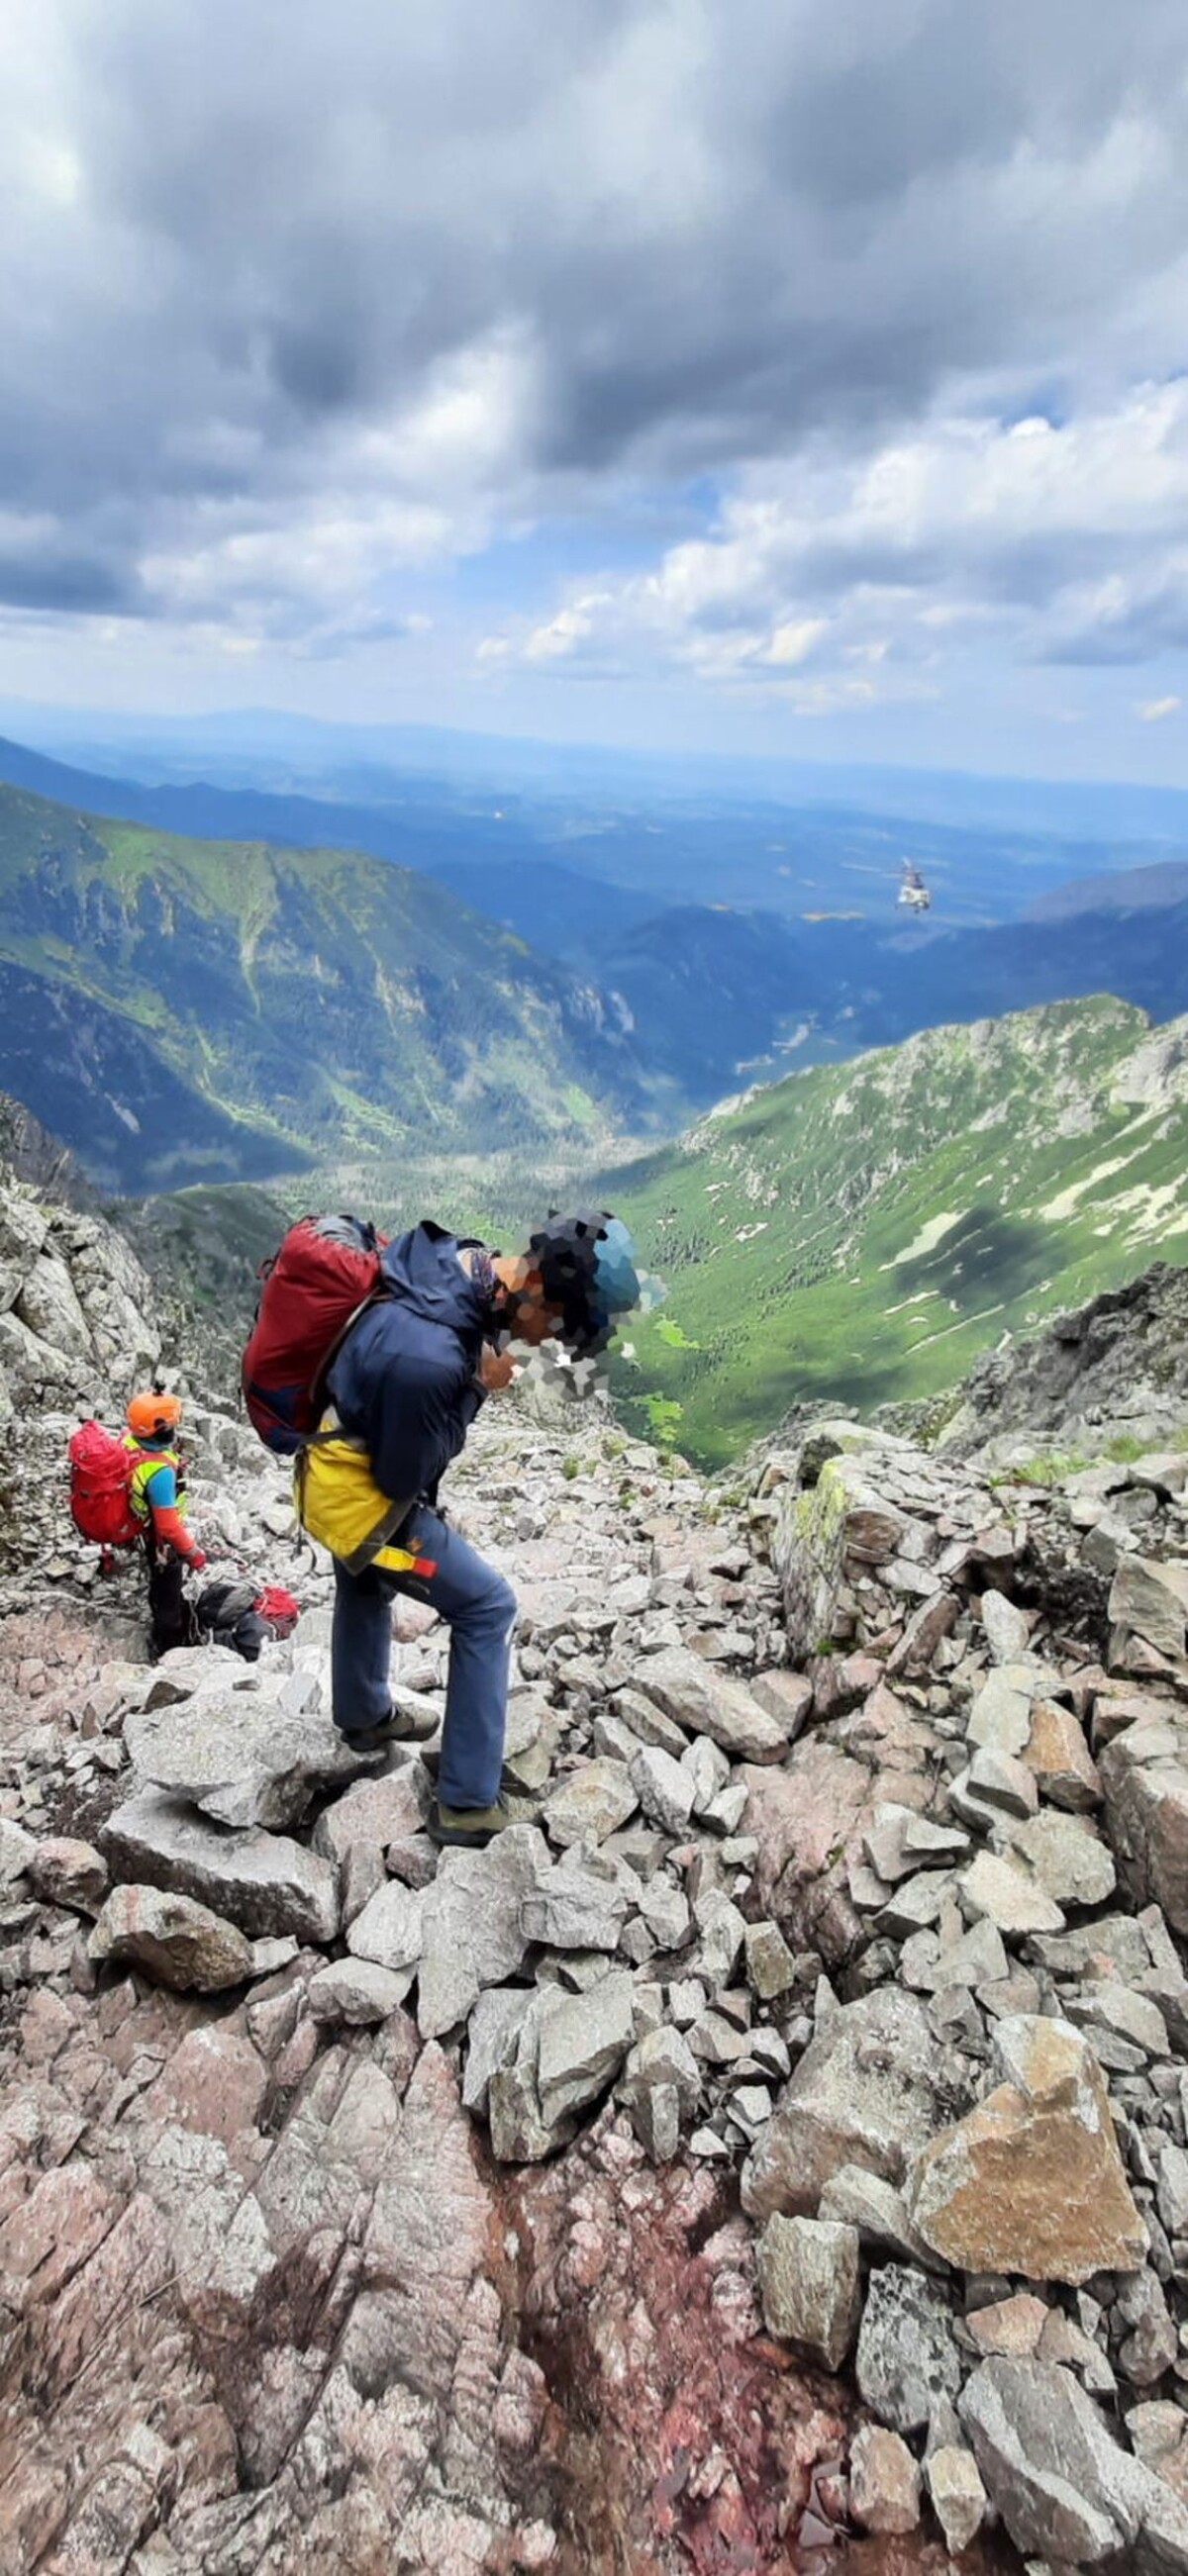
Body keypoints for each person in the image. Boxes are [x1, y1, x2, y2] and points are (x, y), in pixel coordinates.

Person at [305, 1211, 641, 1849]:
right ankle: (465, 1803)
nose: (548, 1342)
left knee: (366, 1578)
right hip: (367, 1510)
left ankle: (363, 1715)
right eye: (556, 1328)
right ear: (536, 1288)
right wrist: (477, 1389)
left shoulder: (458, 1264)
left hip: (328, 1478)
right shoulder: (431, 1358)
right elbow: (407, 1476)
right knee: (488, 1605)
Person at [124, 1389, 208, 1657]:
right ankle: (169, 1649)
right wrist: (194, 1554)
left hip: (142, 1528)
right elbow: (170, 1527)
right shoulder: (160, 1472)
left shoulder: (129, 1443)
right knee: (168, 1590)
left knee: (158, 1585)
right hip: (161, 1541)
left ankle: (161, 1616)